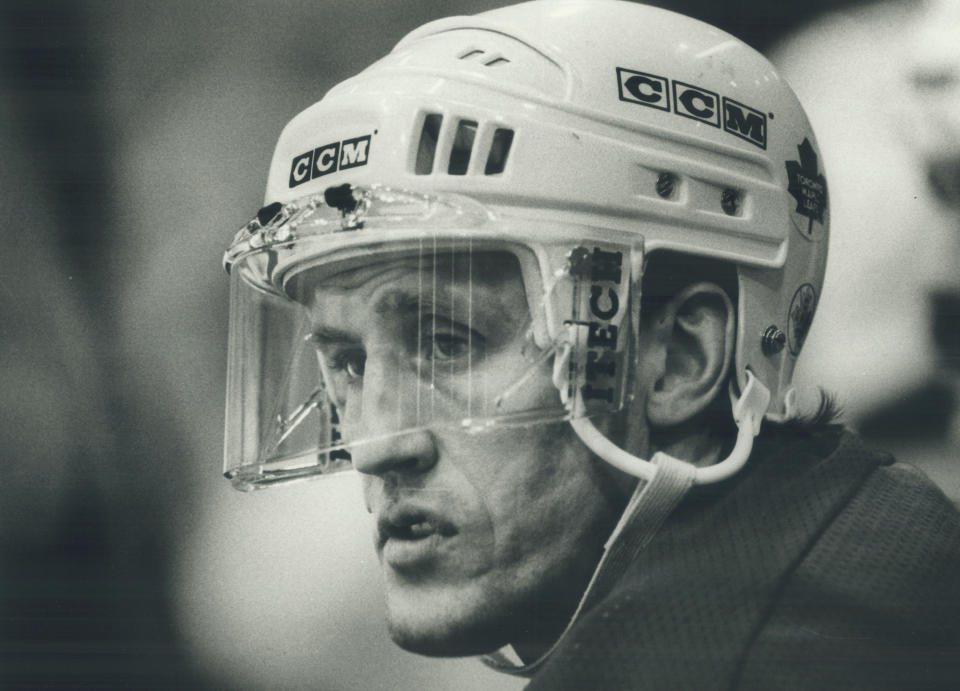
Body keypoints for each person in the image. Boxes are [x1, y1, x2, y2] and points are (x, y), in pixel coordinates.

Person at [220, 1, 960, 688]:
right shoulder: (849, 555)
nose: (376, 441)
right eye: (348, 361)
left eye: (446, 344)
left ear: (678, 357)